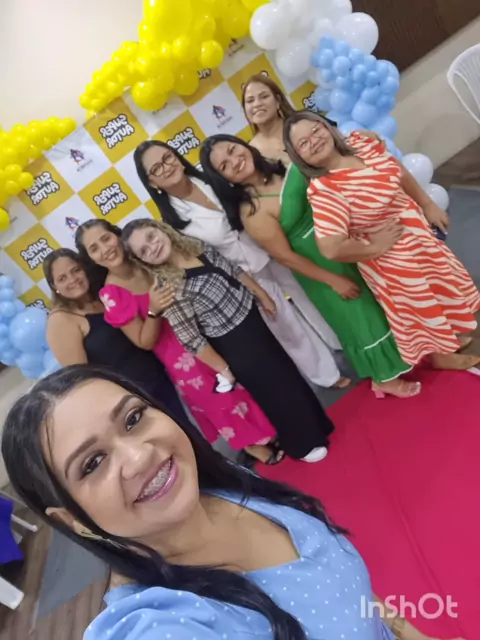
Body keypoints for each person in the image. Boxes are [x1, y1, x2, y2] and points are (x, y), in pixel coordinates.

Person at [1, 365, 463, 640]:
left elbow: (361, 602)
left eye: (134, 418)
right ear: (73, 521)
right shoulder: (162, 622)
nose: (139, 456)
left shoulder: (222, 487)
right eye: (93, 463)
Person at [200, 134, 420, 398]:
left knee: (381, 301)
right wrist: (332, 280)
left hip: (348, 244)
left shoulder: (284, 166)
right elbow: (286, 257)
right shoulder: (251, 212)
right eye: (224, 165)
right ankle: (384, 379)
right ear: (222, 179)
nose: (234, 161)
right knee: (361, 319)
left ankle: (408, 353)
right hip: (320, 266)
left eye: (232, 150)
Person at [133, 139, 347, 391]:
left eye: (167, 157)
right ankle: (326, 375)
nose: (167, 167)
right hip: (244, 273)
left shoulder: (212, 176)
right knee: (286, 325)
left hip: (276, 245)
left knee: (314, 297)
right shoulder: (172, 222)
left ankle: (345, 346)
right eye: (156, 168)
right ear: (152, 183)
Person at [122, 218, 335, 463]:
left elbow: (233, 270)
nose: (153, 247)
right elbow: (191, 339)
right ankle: (303, 444)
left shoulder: (194, 245)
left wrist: (261, 294)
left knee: (287, 375)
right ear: (142, 261)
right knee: (274, 392)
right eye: (143, 251)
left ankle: (319, 425)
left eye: (151, 237)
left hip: (252, 319)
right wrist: (223, 368)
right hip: (233, 341)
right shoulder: (167, 288)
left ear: (160, 228)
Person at [284, 110, 480, 371]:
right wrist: (374, 246)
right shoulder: (325, 190)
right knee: (421, 306)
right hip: (392, 258)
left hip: (418, 235)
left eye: (315, 130)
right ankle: (441, 355)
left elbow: (399, 171)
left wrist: (427, 204)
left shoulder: (361, 144)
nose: (314, 141)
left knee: (439, 288)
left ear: (326, 127)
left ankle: (449, 337)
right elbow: (330, 247)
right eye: (303, 143)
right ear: (298, 156)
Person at [75, 220, 279, 465]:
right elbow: (144, 342)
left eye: (105, 238)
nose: (105, 249)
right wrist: (153, 310)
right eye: (94, 248)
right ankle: (253, 446)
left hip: (209, 328)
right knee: (220, 399)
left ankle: (271, 429)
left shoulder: (146, 256)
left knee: (244, 381)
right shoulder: (111, 294)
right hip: (181, 357)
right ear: (91, 259)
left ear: (117, 235)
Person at [43, 248, 188, 421]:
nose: (73, 279)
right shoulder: (61, 320)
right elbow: (82, 379)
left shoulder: (102, 295)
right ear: (54, 287)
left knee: (185, 429)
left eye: (76, 270)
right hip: (130, 398)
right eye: (62, 278)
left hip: (159, 380)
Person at [242, 73, 295, 165]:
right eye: (250, 101)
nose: (257, 104)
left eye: (264, 96)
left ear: (277, 100)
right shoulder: (251, 153)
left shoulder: (300, 125)